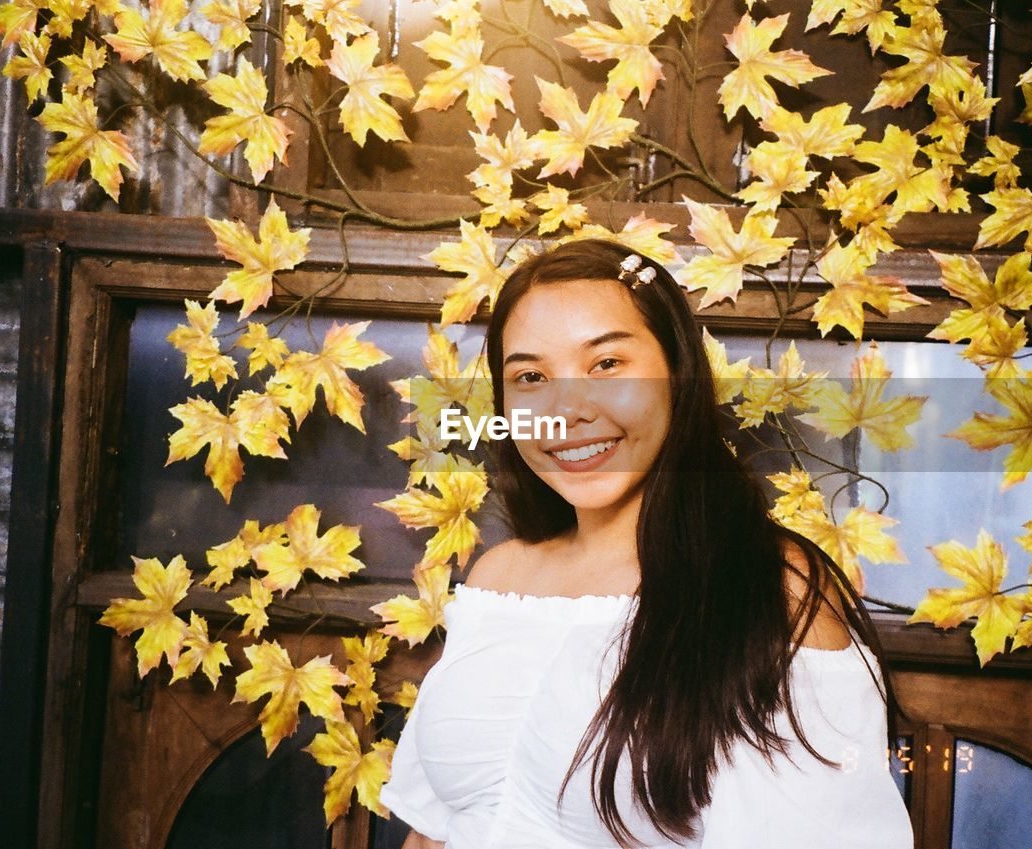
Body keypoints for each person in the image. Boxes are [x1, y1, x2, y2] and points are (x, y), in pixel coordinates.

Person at [379, 238, 914, 849]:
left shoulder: (771, 585)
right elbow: (435, 832)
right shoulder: (497, 579)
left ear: (678, 373)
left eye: (607, 365)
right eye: (531, 377)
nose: (566, 411)